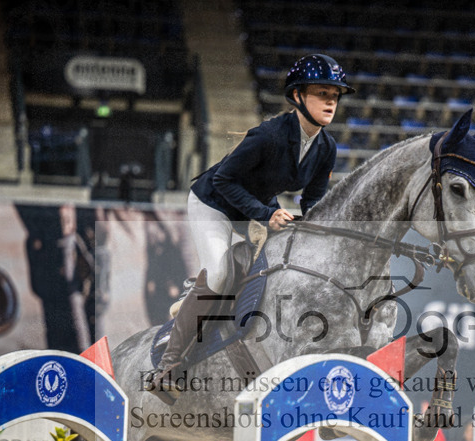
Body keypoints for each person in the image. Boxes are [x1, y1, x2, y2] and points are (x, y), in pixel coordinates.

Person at [151, 54, 354, 396]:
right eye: (322, 93)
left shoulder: (326, 148)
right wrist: (265, 215)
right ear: (298, 96)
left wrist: (322, 231)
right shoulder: (269, 135)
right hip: (213, 202)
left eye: (335, 95)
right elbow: (224, 181)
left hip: (256, 206)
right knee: (219, 275)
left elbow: (313, 201)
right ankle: (167, 365)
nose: (330, 102)